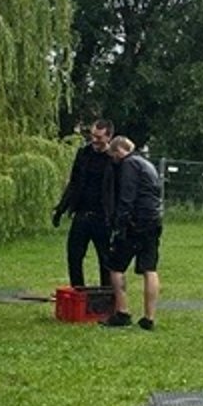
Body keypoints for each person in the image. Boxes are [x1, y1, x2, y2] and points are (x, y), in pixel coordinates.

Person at [101, 135, 163, 329]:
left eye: (113, 155)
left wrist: (119, 224)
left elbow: (127, 196)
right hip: (154, 220)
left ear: (119, 151)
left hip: (135, 222)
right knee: (149, 268)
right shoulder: (147, 164)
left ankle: (122, 312)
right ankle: (149, 318)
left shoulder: (129, 165)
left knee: (116, 266)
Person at [51, 119, 118, 288]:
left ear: (109, 137)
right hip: (82, 214)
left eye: (99, 137)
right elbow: (73, 183)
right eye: (93, 136)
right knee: (74, 255)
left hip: (103, 217)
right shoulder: (83, 154)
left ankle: (105, 295)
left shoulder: (115, 160)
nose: (94, 140)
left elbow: (120, 190)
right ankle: (77, 291)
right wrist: (60, 209)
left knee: (105, 259)